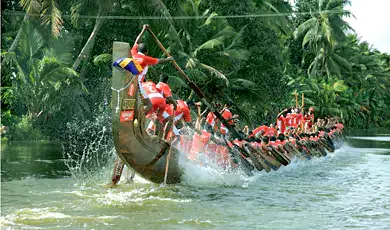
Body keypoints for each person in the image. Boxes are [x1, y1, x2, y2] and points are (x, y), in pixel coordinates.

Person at [131, 24, 174, 111]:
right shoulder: (145, 59)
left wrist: (143, 30)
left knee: (138, 102)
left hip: (130, 80)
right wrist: (169, 59)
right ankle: (139, 120)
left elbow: (136, 42)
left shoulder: (133, 52)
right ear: (146, 52)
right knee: (149, 104)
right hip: (137, 82)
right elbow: (159, 61)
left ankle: (137, 118)